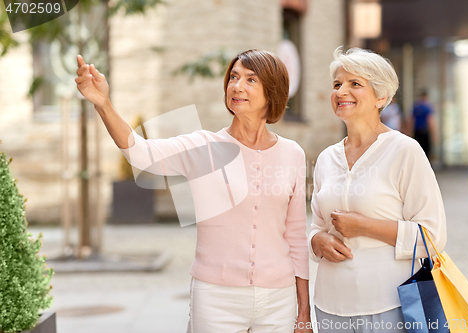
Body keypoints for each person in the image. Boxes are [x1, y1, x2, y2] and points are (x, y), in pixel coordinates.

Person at [75, 50, 312, 333]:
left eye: (251, 80)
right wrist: (104, 104)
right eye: (233, 77)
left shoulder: (292, 154)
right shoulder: (204, 147)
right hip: (216, 298)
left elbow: (296, 236)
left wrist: (304, 313)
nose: (237, 86)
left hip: (278, 300)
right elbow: (140, 153)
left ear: (272, 92)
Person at [308, 47, 447, 333]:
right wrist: (317, 241)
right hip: (329, 307)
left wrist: (365, 226)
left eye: (354, 84)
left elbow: (432, 237)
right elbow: (316, 227)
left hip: (390, 306)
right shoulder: (325, 158)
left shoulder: (405, 151)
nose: (341, 91)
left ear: (381, 97)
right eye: (337, 84)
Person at [411, 90, 437, 157]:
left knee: (418, 151)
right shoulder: (427, 107)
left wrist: (410, 132)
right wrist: (433, 134)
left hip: (417, 132)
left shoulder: (416, 107)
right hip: (425, 131)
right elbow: (430, 120)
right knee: (426, 152)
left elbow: (411, 120)